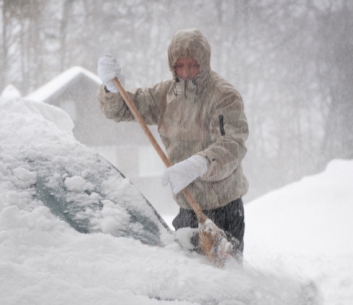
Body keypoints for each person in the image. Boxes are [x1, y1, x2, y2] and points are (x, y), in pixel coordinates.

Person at [96, 29, 248, 260]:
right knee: (187, 277)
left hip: (223, 207)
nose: (186, 73)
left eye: (193, 65)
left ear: (204, 63)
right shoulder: (165, 95)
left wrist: (199, 164)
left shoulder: (223, 96)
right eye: (180, 66)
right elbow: (126, 108)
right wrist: (112, 89)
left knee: (223, 279)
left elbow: (233, 144)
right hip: (187, 207)